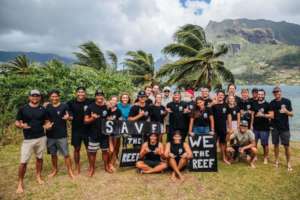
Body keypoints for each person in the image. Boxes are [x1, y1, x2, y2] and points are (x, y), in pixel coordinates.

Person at [15, 90, 50, 193]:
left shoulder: (43, 109)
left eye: (37, 96)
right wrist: (20, 125)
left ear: (39, 97)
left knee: (39, 158)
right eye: (33, 96)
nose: (35, 97)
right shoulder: (23, 109)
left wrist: (47, 126)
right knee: (23, 161)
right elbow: (17, 122)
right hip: (28, 139)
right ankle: (20, 182)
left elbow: (46, 121)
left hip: (41, 137)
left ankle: (38, 176)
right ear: (29, 97)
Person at [45, 90, 74, 179]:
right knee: (53, 154)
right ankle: (54, 170)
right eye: (52, 96)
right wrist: (47, 125)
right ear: (50, 97)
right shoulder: (47, 107)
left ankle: (70, 171)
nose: (54, 98)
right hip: (50, 135)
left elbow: (71, 117)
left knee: (66, 154)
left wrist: (68, 117)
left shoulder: (64, 106)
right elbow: (45, 119)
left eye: (56, 96)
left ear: (59, 97)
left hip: (62, 135)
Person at [84, 90, 111, 176]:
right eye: (98, 95)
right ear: (95, 97)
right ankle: (92, 168)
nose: (100, 97)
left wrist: (110, 119)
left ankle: (106, 167)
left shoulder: (107, 107)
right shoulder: (90, 107)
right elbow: (85, 121)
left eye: (101, 95)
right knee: (93, 152)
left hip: (104, 133)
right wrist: (92, 118)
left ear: (103, 96)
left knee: (105, 151)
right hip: (93, 133)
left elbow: (109, 117)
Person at [67, 87, 93, 174]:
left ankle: (91, 165)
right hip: (76, 130)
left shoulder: (90, 101)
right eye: (79, 92)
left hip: (88, 129)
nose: (81, 94)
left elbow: (100, 102)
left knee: (89, 149)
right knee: (76, 149)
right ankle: (77, 166)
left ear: (85, 93)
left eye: (83, 92)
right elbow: (65, 110)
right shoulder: (71, 102)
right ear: (76, 93)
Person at [270, 86, 293, 171]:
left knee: (286, 146)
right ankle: (276, 161)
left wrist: (286, 111)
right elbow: (271, 115)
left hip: (284, 128)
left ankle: (289, 163)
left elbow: (291, 114)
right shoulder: (272, 103)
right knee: (276, 145)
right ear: (273, 94)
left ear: (281, 92)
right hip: (275, 128)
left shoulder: (287, 101)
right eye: (275, 92)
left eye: (278, 92)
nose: (276, 93)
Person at [251, 89, 274, 164]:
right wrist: (251, 125)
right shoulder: (254, 103)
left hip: (264, 128)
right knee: (254, 143)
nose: (260, 96)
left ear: (264, 95)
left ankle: (265, 157)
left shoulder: (268, 104)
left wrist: (263, 115)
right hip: (255, 127)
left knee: (265, 144)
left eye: (262, 94)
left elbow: (272, 115)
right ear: (257, 95)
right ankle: (254, 156)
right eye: (259, 94)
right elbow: (252, 115)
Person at [211, 90, 232, 164]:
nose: (220, 96)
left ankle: (224, 157)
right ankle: (212, 158)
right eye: (219, 95)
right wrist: (212, 128)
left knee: (223, 143)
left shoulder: (226, 105)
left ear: (224, 96)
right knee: (213, 143)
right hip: (214, 128)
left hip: (223, 127)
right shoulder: (213, 105)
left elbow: (229, 117)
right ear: (217, 95)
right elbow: (210, 116)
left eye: (222, 95)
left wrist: (230, 128)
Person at [107, 96, 122, 171]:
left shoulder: (118, 111)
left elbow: (120, 121)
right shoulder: (107, 110)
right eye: (112, 100)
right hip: (109, 133)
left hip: (116, 131)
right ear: (110, 101)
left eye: (115, 100)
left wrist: (118, 120)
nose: (113, 101)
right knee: (111, 149)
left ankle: (111, 163)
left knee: (115, 148)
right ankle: (108, 163)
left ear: (117, 102)